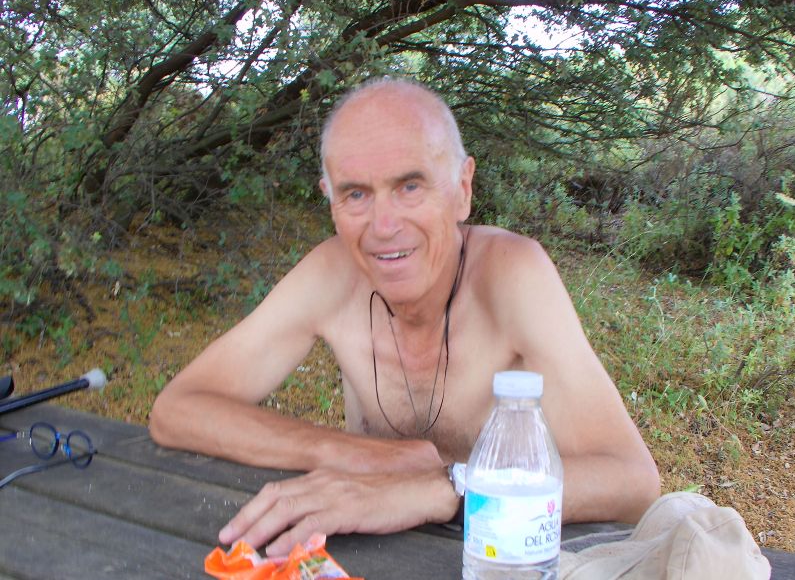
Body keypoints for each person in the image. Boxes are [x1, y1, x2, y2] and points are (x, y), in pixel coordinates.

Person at [149, 76, 660, 556]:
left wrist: (444, 489)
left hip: (501, 557)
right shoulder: (332, 274)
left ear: (462, 188)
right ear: (330, 202)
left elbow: (632, 480)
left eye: (410, 186)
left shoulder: (511, 275)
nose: (383, 226)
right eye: (356, 194)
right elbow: (178, 410)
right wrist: (365, 456)